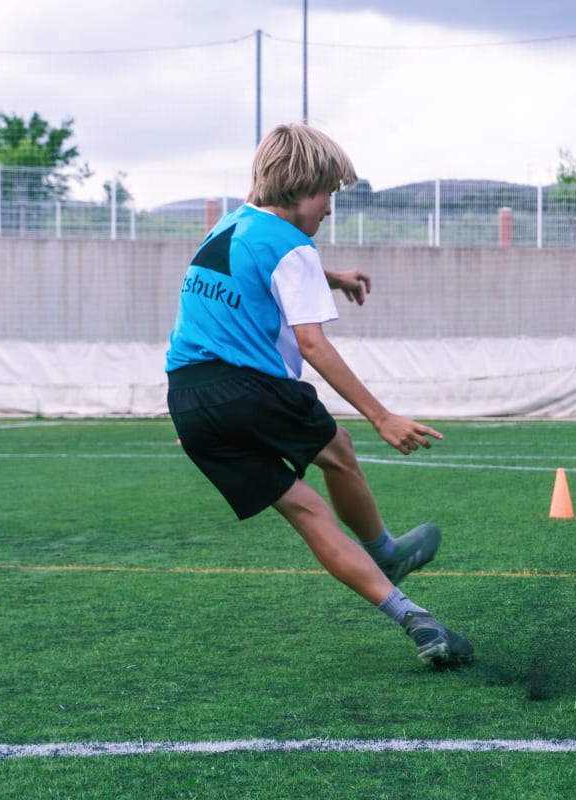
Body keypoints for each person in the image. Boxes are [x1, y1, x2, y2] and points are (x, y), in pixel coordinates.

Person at [165, 123, 473, 669]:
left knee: (308, 511)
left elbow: (258, 270)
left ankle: (415, 619)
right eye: (327, 193)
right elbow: (311, 344)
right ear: (300, 187)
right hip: (249, 388)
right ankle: (387, 553)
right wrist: (381, 416)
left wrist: (331, 277)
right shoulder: (294, 247)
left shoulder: (229, 227)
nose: (330, 208)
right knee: (341, 449)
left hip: (189, 402)